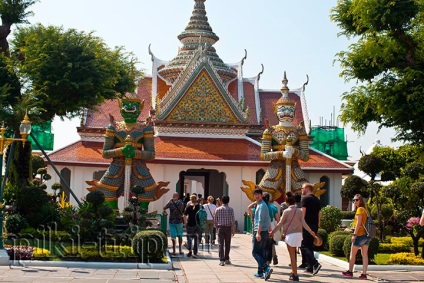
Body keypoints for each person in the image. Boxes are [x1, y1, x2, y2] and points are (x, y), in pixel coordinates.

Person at [85, 95, 169, 209]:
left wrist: (135, 153)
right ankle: (113, 218)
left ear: (140, 109)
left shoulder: (145, 128)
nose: (129, 108)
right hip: (116, 166)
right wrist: (122, 151)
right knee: (106, 190)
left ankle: (141, 218)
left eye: (133, 106)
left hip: (138, 166)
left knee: (148, 191)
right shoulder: (113, 127)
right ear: (120, 108)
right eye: (126, 106)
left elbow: (151, 154)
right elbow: (105, 153)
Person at [241, 73, 313, 202]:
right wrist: (282, 154)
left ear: (294, 111)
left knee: (305, 197)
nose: (286, 113)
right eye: (282, 110)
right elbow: (263, 155)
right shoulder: (270, 131)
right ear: (275, 110)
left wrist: (294, 152)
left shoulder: (299, 131)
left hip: (295, 169)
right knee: (262, 198)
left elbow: (305, 156)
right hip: (275, 169)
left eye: (290, 110)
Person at [270, 192, 317, 282]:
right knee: (293, 255)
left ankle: (295, 275)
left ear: (287, 202)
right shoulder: (299, 211)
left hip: (290, 235)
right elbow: (304, 223)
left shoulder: (286, 211)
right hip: (299, 235)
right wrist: (311, 232)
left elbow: (280, 224)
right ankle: (293, 272)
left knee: (292, 257)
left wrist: (273, 232)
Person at [342, 194, 371, 280]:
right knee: (364, 255)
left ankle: (350, 272)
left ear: (361, 200)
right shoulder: (366, 210)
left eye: (357, 200)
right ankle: (364, 274)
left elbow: (358, 223)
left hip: (360, 235)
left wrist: (354, 235)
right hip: (367, 235)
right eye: (354, 200)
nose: (355, 201)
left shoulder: (359, 210)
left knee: (352, 253)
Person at [249, 188, 273, 280]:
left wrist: (258, 233)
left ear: (262, 195)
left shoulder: (262, 206)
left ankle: (266, 268)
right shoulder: (259, 205)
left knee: (255, 252)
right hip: (263, 231)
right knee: (261, 252)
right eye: (255, 194)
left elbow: (261, 221)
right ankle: (260, 272)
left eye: (258, 194)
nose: (256, 196)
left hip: (261, 231)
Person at [299, 182, 322, 275]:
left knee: (304, 246)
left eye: (302, 188)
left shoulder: (305, 198)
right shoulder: (317, 199)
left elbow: (302, 213)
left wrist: (301, 225)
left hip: (307, 225)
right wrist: (318, 225)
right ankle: (310, 267)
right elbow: (319, 214)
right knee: (310, 246)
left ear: (307, 188)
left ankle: (315, 263)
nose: (302, 189)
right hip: (315, 225)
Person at [214, 195, 236, 266]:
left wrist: (217, 228)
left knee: (220, 244)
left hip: (220, 227)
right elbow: (232, 220)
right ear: (228, 201)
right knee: (227, 244)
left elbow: (215, 220)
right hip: (228, 228)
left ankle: (221, 260)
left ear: (221, 201)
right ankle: (227, 258)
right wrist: (233, 229)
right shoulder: (231, 209)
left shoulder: (218, 209)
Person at [262, 192, 280, 265]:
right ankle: (273, 256)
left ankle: (267, 260)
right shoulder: (273, 207)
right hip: (272, 225)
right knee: (270, 242)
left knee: (265, 244)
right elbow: (278, 218)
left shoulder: (261, 206)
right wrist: (279, 227)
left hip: (263, 226)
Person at [184, 194, 201, 258]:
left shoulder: (188, 207)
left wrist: (185, 223)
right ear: (196, 199)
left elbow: (184, 215)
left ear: (190, 199)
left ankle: (190, 250)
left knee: (189, 238)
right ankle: (195, 252)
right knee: (196, 238)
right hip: (197, 224)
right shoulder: (199, 206)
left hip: (190, 224)